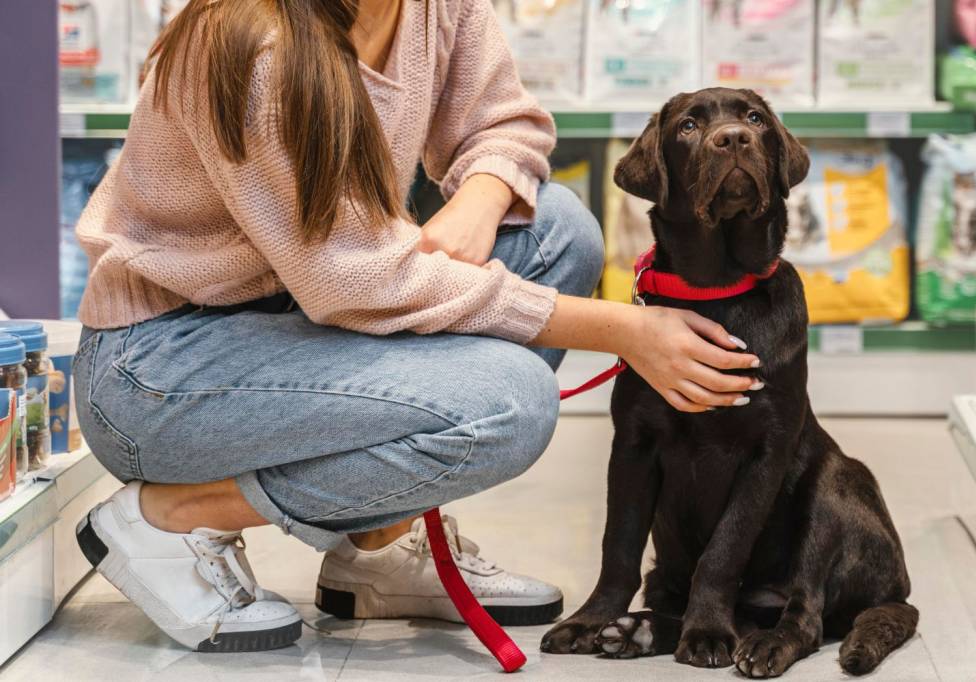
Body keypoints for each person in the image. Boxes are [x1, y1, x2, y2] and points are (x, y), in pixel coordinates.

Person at [72, 0, 762, 652]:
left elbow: (508, 124)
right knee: (511, 403)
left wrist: (481, 200)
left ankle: (376, 548)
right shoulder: (253, 45)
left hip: (300, 312)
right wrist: (621, 330)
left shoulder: (432, 8)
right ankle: (172, 515)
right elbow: (355, 282)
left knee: (558, 235)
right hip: (162, 371)